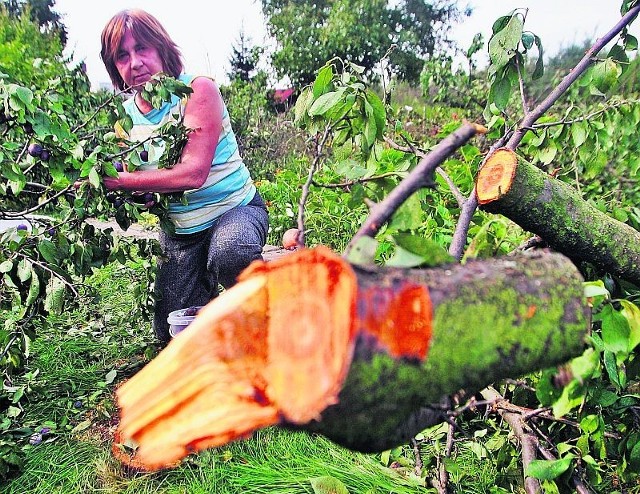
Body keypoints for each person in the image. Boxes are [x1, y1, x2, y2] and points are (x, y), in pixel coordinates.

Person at [99, 9, 269, 344]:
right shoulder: (125, 120)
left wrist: (121, 182)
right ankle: (219, 320)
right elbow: (147, 187)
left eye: (143, 48)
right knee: (174, 333)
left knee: (230, 252)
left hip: (234, 211)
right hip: (182, 233)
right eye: (122, 55)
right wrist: (128, 193)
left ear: (162, 49)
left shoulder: (197, 90)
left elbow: (192, 174)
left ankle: (266, 313)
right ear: (114, 66)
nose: (135, 63)